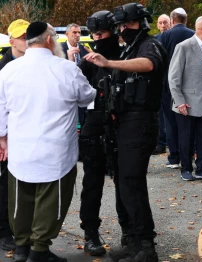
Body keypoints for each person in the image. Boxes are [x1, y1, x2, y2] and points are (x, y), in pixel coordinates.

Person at [0, 21, 95, 262]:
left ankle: (22, 248)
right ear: (50, 40)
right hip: (56, 152)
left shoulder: (8, 71)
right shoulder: (66, 69)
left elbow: (0, 110)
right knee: (51, 202)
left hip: (21, 151)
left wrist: (2, 137)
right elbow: (87, 97)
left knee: (21, 201)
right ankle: (39, 250)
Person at [84, 3, 168, 261]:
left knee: (131, 183)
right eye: (120, 25)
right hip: (122, 124)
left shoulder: (149, 44)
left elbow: (149, 64)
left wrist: (110, 62)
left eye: (127, 24)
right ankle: (133, 241)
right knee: (125, 184)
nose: (123, 29)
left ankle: (145, 245)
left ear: (141, 23)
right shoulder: (130, 46)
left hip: (140, 122)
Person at [77, 10, 126, 256]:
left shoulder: (125, 54)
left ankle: (128, 231)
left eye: (102, 33)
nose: (98, 37)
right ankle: (90, 233)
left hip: (122, 123)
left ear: (113, 31)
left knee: (125, 182)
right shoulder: (87, 61)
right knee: (92, 182)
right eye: (94, 33)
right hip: (95, 122)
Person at [168, 16, 202, 182]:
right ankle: (186, 168)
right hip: (187, 101)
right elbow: (174, 77)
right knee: (186, 136)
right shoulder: (184, 47)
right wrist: (179, 100)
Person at [0, 18, 30, 253]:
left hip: (27, 135)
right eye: (22, 37)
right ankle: (4, 231)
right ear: (11, 41)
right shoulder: (4, 67)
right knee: (5, 186)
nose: (26, 41)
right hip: (8, 136)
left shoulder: (33, 63)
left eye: (29, 35)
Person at [158, 7, 195, 168]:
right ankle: (189, 154)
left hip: (169, 85)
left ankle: (174, 156)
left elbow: (158, 59)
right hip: (190, 84)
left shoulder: (164, 36)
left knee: (170, 121)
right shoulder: (194, 35)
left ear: (172, 21)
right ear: (186, 20)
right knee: (189, 121)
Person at [61, 23, 90, 127]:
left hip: (82, 94)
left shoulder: (85, 50)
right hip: (65, 94)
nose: (77, 35)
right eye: (74, 32)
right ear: (67, 34)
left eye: (79, 33)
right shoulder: (59, 50)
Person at [152, 14, 171, 155]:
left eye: (165, 22)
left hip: (173, 80)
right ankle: (161, 142)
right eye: (160, 23)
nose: (163, 25)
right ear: (157, 25)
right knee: (160, 114)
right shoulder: (154, 40)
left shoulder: (174, 38)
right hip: (160, 81)